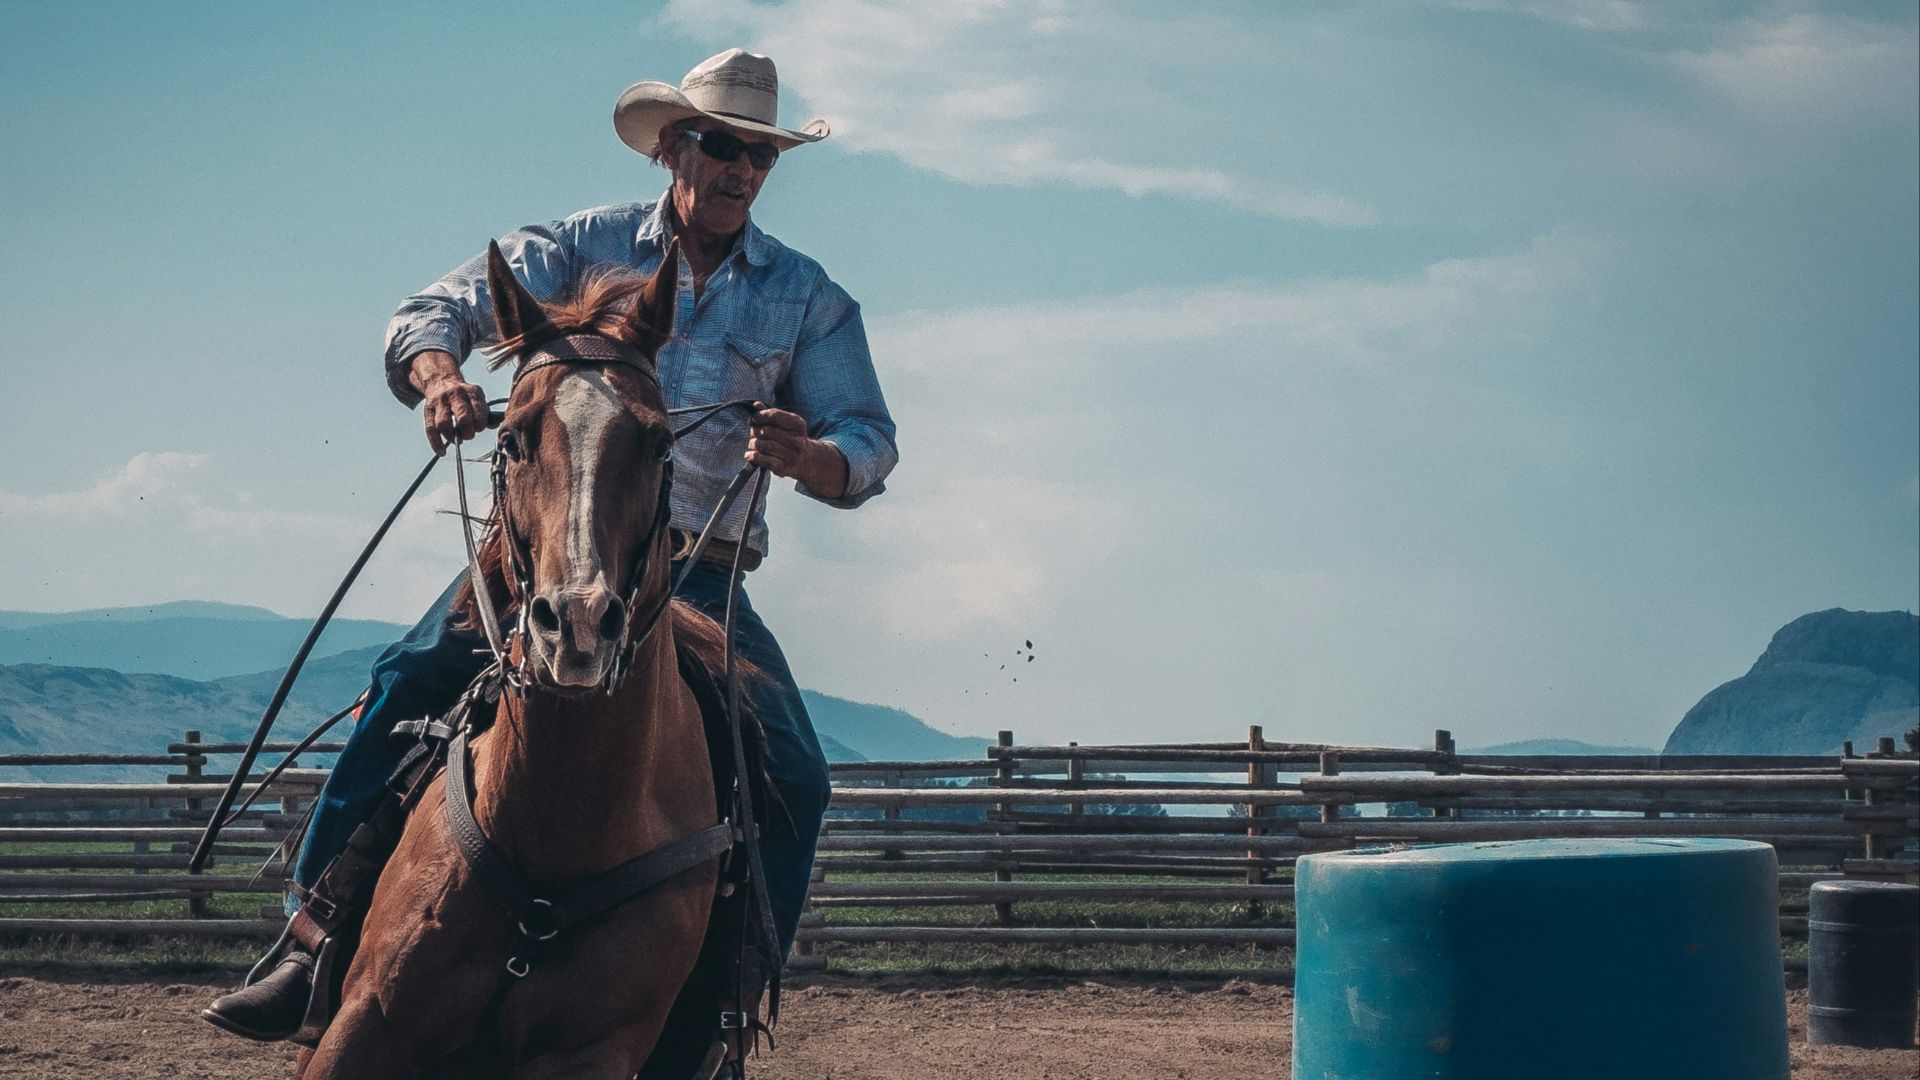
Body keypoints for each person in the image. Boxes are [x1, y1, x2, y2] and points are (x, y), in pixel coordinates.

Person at [204, 47, 897, 1045]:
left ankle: (730, 1006)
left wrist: (812, 457)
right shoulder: (581, 245)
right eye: (724, 145)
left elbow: (868, 439)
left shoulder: (807, 296)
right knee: (409, 676)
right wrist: (440, 375)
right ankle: (312, 943)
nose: (743, 168)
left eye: (762, 155)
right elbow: (428, 313)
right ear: (675, 146)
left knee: (795, 772)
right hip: (531, 551)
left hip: (694, 569)